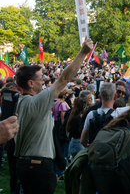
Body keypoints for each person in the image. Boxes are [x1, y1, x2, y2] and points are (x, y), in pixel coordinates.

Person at [14, 37, 93, 194]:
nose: (43, 82)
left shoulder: (21, 101)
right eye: (40, 79)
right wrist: (83, 52)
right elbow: (64, 78)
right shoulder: (37, 102)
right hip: (39, 167)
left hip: (24, 164)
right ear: (30, 83)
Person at [80, 83, 130, 147]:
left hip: (94, 151)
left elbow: (82, 140)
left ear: (99, 97)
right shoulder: (118, 114)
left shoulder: (91, 114)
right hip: (111, 153)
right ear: (115, 96)